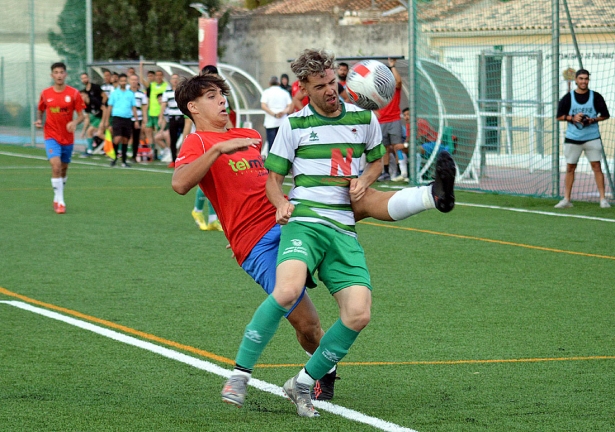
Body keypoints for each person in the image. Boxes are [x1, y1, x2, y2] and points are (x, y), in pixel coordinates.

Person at [171, 70, 454, 406]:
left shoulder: (247, 134)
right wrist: (218, 151)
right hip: (255, 243)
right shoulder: (198, 142)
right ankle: (323, 372)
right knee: (307, 326)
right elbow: (180, 184)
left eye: (222, 94)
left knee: (353, 200)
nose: (222, 100)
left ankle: (431, 196)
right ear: (193, 107)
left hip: (291, 216)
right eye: (212, 96)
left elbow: (278, 174)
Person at [34, 62, 85, 214]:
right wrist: (39, 120)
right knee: (55, 166)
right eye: (56, 72)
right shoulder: (45, 93)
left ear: (65, 74)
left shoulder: (74, 94)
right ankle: (61, 202)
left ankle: (57, 197)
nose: (59, 75)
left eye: (61, 72)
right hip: (51, 135)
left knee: (63, 169)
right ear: (52, 75)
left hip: (67, 137)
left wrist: (75, 122)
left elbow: (82, 115)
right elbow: (41, 110)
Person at [555, 69, 611, 208]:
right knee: (570, 168)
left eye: (586, 79)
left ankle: (603, 199)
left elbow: (605, 115)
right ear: (576, 80)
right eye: (581, 78)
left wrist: (593, 119)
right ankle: (566, 199)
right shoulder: (568, 98)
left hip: (592, 137)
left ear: (588, 80)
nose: (583, 81)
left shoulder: (596, 96)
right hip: (573, 138)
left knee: (596, 167)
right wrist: (572, 118)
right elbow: (559, 116)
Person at [101, 73, 138, 167]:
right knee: (117, 139)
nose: (123, 82)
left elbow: (133, 107)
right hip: (117, 118)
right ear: (119, 82)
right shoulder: (114, 93)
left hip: (127, 118)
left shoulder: (130, 94)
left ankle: (124, 160)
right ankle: (114, 157)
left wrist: (136, 120)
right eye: (121, 81)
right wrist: (106, 120)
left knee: (125, 139)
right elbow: (109, 107)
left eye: (125, 81)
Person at [376, 58, 404, 182]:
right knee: (384, 148)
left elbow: (399, 81)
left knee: (397, 146)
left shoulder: (395, 87)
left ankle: (400, 171)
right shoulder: (378, 88)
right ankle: (386, 172)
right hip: (381, 121)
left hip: (394, 119)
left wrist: (392, 66)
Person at [260, 75, 292, 153]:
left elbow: (263, 105)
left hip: (270, 122)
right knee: (283, 145)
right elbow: (290, 106)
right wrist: (283, 112)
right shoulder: (284, 93)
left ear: (269, 83)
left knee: (271, 145)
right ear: (278, 83)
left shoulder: (266, 92)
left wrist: (274, 114)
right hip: (283, 122)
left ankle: (271, 163)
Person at [159, 74, 184, 168]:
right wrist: (160, 117)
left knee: (185, 138)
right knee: (172, 139)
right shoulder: (167, 92)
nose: (175, 80)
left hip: (182, 117)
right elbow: (163, 105)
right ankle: (174, 160)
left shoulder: (183, 91)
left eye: (177, 79)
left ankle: (183, 158)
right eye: (173, 79)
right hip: (172, 117)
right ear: (170, 80)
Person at [80, 72, 107, 156]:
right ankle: (90, 150)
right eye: (82, 78)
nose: (84, 79)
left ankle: (114, 146)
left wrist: (103, 122)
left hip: (104, 115)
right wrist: (83, 131)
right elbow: (87, 118)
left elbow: (105, 98)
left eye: (85, 77)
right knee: (90, 131)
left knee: (97, 132)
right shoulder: (85, 103)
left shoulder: (95, 90)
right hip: (97, 116)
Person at [146, 70, 168, 159]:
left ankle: (165, 150)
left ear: (163, 76)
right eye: (157, 75)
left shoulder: (166, 86)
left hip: (161, 113)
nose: (158, 77)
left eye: (160, 75)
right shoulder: (152, 85)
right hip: (151, 112)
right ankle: (152, 151)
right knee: (148, 131)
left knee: (160, 134)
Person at [129, 74, 148, 163]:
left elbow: (144, 107)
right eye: (132, 80)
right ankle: (122, 153)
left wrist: (144, 119)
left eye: (135, 80)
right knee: (124, 136)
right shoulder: (126, 93)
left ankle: (134, 155)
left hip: (138, 118)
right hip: (127, 117)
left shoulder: (141, 94)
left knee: (136, 137)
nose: (134, 82)